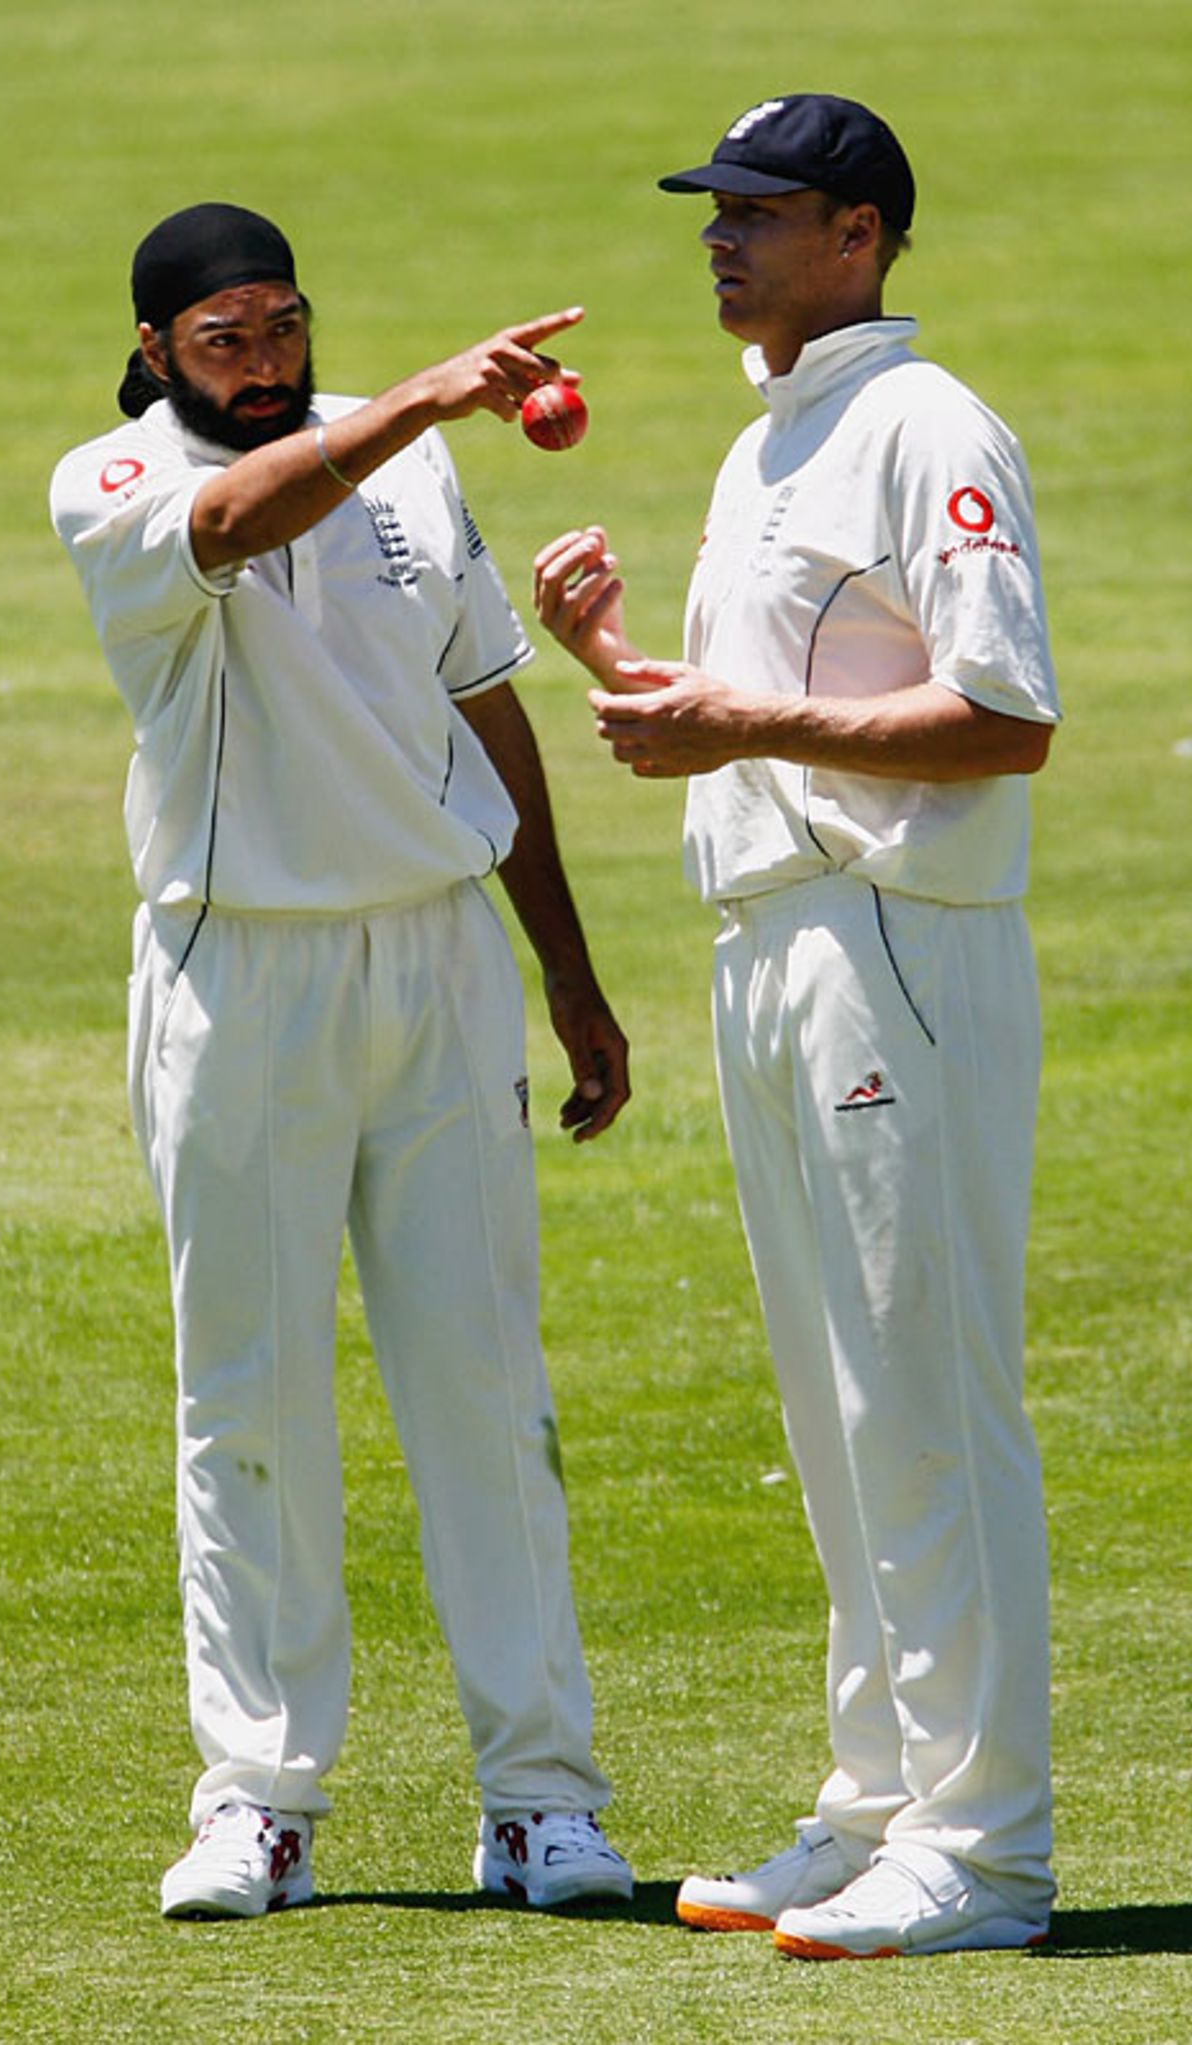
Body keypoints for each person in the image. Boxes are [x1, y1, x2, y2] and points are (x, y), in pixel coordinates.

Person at [50, 202, 634, 1920]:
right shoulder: (116, 480)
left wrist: (570, 976)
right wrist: (428, 399)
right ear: (159, 350)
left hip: (438, 964)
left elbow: (485, 706)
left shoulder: (412, 469)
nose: (265, 361)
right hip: (243, 969)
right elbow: (236, 518)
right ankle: (260, 1802)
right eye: (224, 338)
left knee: (485, 1383)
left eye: (283, 326)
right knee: (251, 1392)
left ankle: (541, 1801)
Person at [533, 94, 1060, 1960]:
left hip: (896, 941)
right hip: (772, 939)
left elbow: (1004, 716)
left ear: (861, 233)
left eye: (756, 212)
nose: (720, 240)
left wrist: (739, 728)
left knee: (927, 1393)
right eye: (713, 213)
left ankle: (987, 1845)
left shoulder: (928, 425)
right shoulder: (779, 438)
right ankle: (879, 1804)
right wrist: (621, 672)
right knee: (841, 1410)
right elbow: (772, 706)